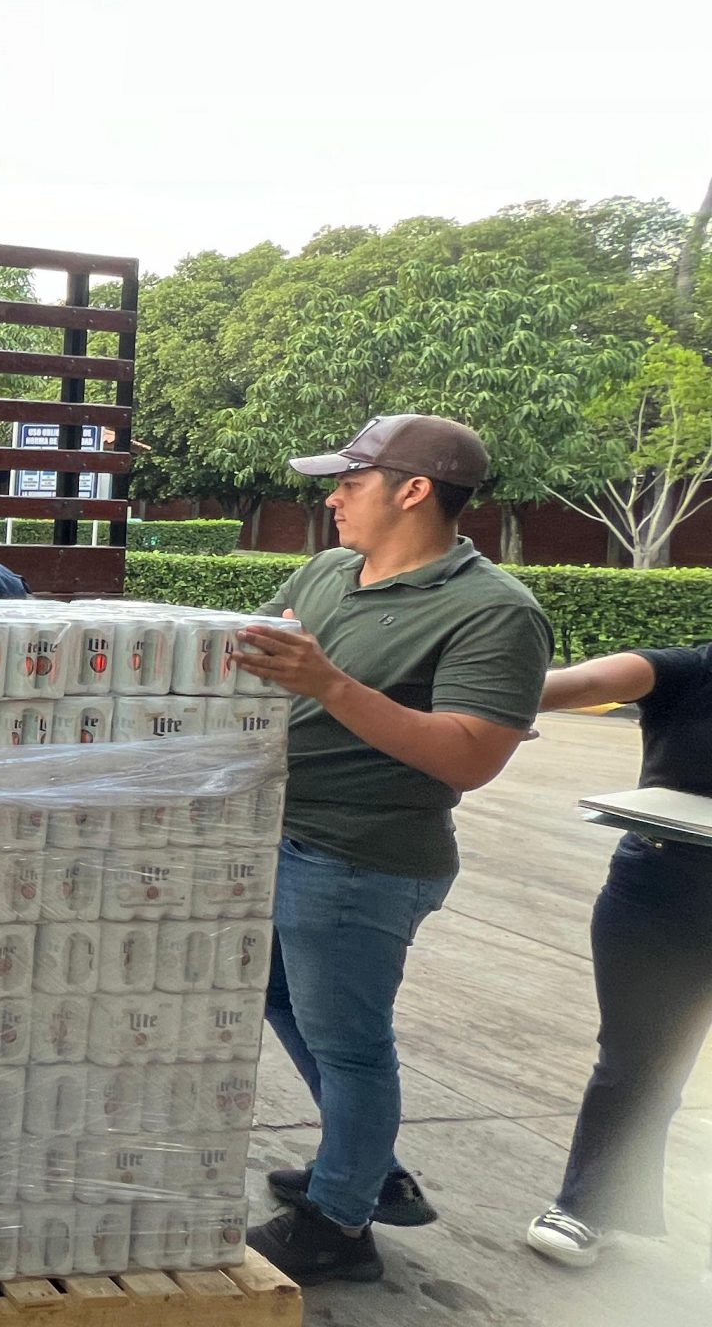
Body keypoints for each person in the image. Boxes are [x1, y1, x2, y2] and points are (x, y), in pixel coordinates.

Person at [234, 414, 552, 1284]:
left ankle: (340, 1223)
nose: (331, 497)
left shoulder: (493, 610)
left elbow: (472, 754)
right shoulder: (333, 570)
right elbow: (245, 649)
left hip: (361, 858)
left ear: (412, 491)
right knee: (278, 997)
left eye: (349, 481)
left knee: (350, 1043)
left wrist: (329, 685)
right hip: (284, 835)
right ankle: (364, 1160)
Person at [517, 647, 712, 1268]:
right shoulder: (691, 670)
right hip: (665, 887)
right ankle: (590, 1205)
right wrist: (490, 703)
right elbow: (578, 683)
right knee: (641, 1057)